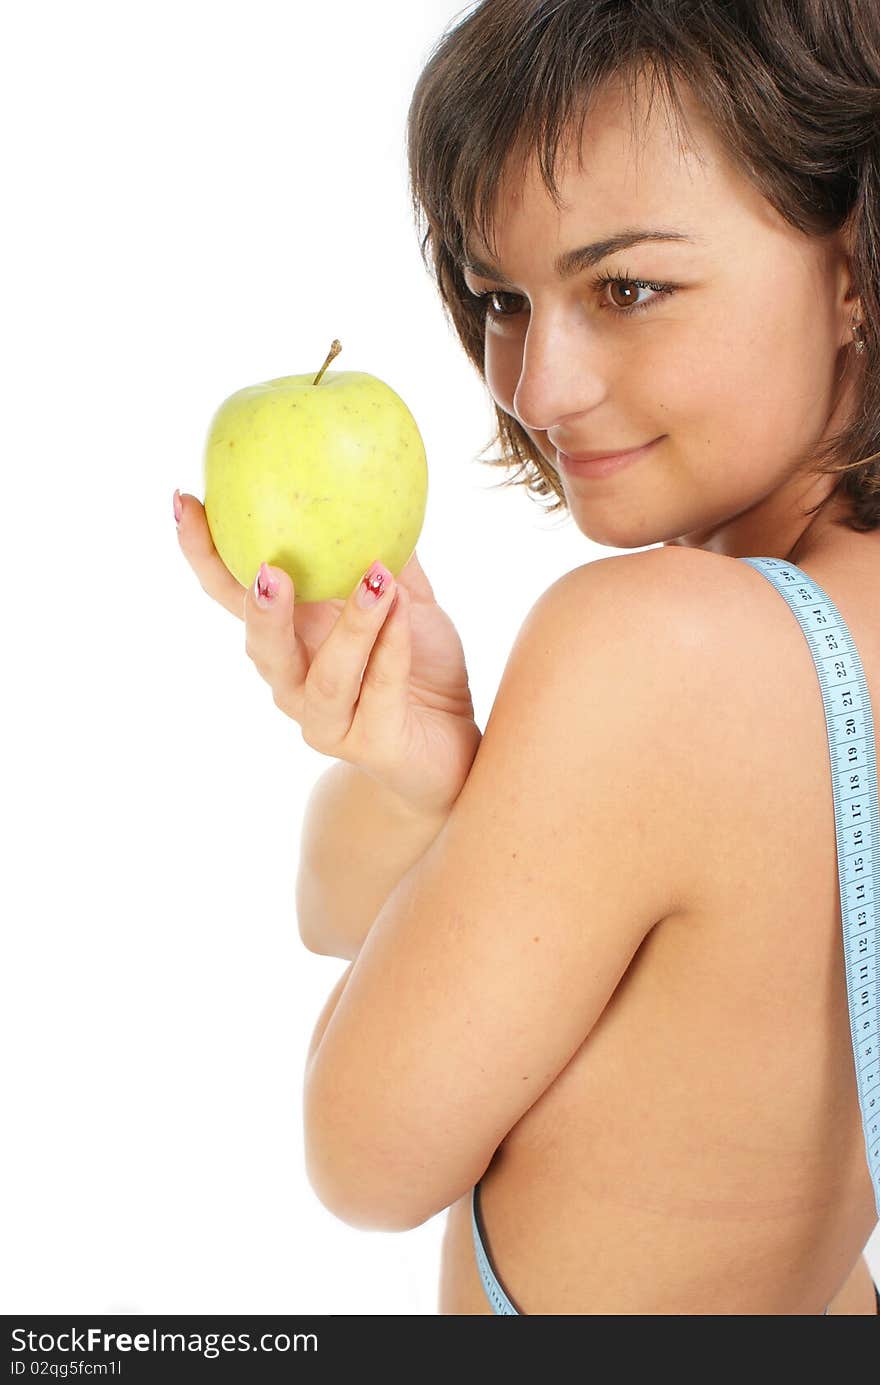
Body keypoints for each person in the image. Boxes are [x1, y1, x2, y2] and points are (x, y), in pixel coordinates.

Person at [175, 0, 880, 1314]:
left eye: (628, 288)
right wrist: (426, 773)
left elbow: (363, 1152)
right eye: (502, 297)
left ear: (853, 265)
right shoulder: (818, 643)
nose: (536, 387)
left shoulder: (657, 650)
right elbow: (330, 899)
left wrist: (454, 813)